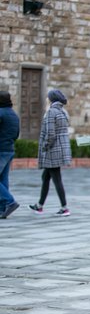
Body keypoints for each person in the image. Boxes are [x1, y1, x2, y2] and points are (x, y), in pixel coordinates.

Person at [29, 89, 72, 217]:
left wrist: (45, 147)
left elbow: (50, 134)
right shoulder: (63, 112)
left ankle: (64, 207)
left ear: (51, 99)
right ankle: (40, 205)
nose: (47, 99)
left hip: (53, 150)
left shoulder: (51, 112)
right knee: (45, 177)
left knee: (56, 178)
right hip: (60, 149)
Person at [0, 91, 20, 219]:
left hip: (0, 149)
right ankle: (3, 207)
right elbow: (17, 133)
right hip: (9, 149)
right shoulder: (14, 114)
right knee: (3, 179)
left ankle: (10, 202)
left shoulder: (1, 113)